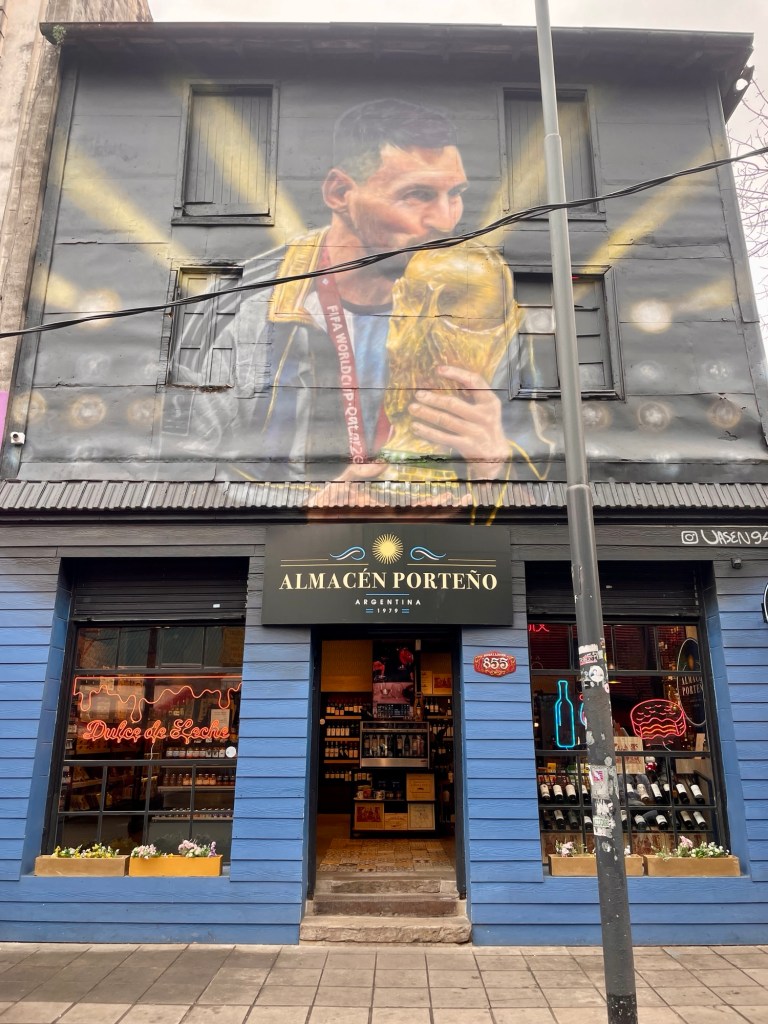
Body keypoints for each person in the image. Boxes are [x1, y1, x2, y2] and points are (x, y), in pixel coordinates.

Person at [165, 98, 551, 485]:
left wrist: (494, 467)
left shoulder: (479, 310)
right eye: (417, 195)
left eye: (455, 193)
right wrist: (308, 507)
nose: (446, 220)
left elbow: (545, 467)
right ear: (339, 193)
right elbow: (189, 472)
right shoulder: (254, 309)